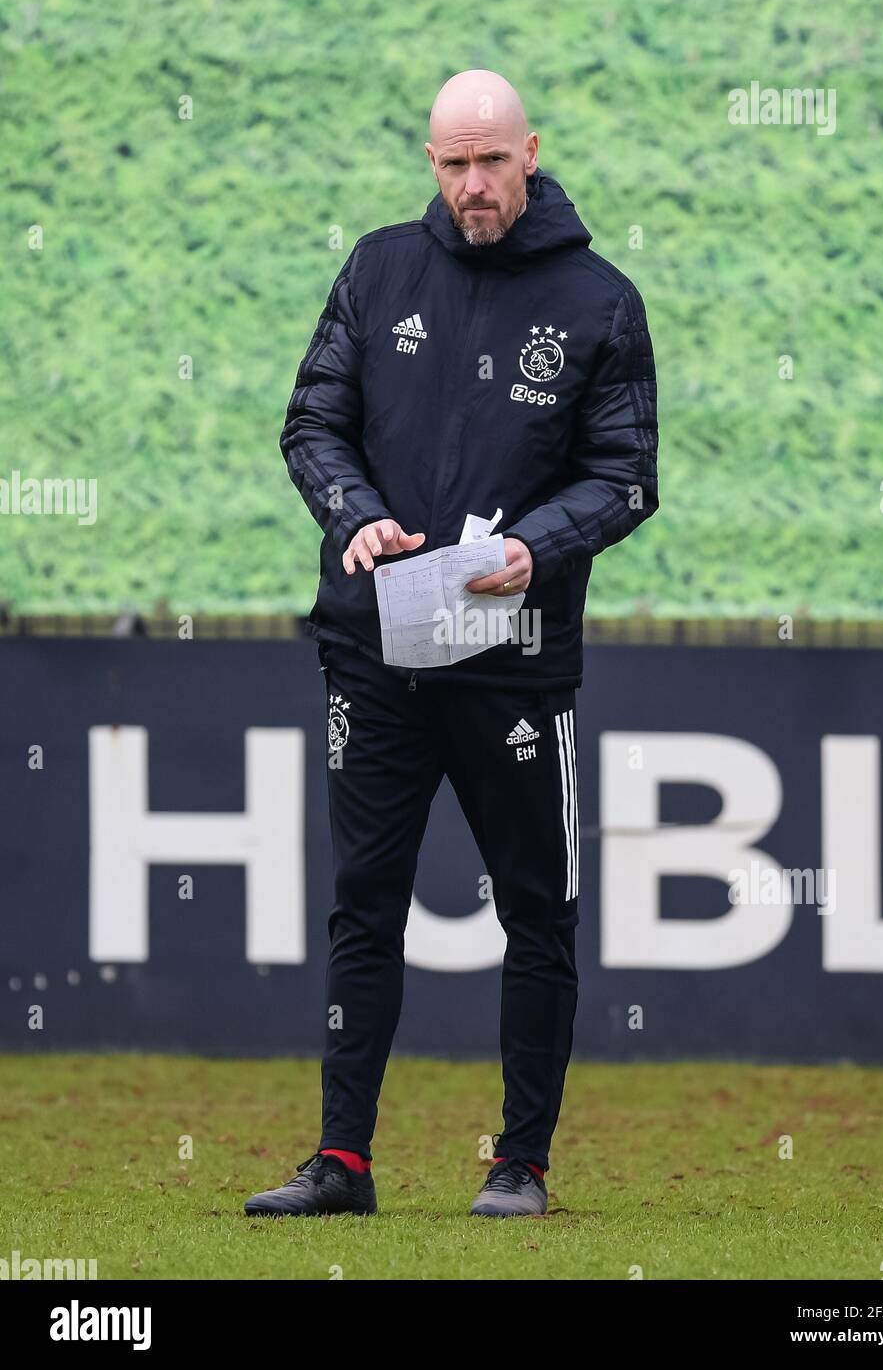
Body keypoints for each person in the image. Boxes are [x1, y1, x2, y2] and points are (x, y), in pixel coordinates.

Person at [245, 69, 658, 1219]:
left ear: (531, 151)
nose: (472, 186)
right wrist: (354, 512)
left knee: (538, 908)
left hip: (517, 666)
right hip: (373, 654)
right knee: (363, 903)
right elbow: (311, 419)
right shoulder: (379, 268)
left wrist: (537, 546)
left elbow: (628, 478)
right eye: (450, 164)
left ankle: (519, 1162)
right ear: (430, 162)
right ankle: (343, 1163)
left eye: (490, 161)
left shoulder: (600, 300)